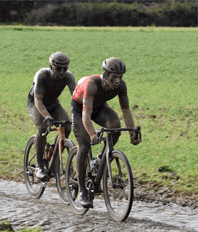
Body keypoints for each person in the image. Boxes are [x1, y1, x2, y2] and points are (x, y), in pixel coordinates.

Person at [71, 57, 141, 208]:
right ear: (106, 74)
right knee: (84, 145)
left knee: (115, 127)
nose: (117, 81)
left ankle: (101, 159)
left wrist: (132, 133)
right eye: (114, 77)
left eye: (120, 77)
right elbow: (86, 116)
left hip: (99, 107)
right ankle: (82, 190)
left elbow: (126, 110)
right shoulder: (92, 84)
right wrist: (91, 134)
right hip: (80, 109)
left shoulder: (121, 86)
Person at [27, 52, 76, 180]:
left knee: (67, 126)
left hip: (53, 103)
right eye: (58, 69)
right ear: (50, 66)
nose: (62, 72)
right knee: (42, 128)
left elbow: (76, 99)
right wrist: (47, 116)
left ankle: (54, 156)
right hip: (36, 103)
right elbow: (38, 100)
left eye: (65, 69)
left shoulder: (68, 77)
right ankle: (39, 165)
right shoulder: (41, 75)